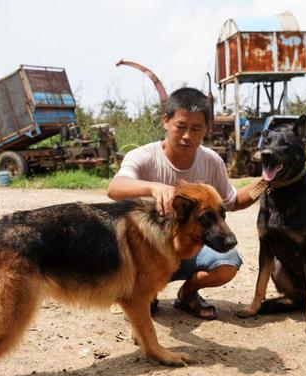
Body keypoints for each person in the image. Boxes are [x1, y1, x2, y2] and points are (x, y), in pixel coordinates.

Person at [107, 87, 260, 320]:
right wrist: (153, 187)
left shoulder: (211, 161)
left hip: (189, 251)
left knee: (228, 263)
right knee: (139, 284)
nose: (187, 136)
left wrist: (266, 183)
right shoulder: (143, 156)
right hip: (151, 254)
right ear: (166, 121)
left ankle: (187, 293)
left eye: (196, 128)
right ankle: (145, 293)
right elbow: (115, 188)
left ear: (206, 129)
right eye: (181, 126)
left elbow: (232, 201)